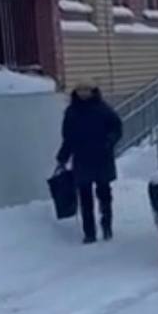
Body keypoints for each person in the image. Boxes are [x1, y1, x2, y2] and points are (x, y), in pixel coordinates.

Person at [56, 82, 122, 244]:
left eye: (86, 89)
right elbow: (68, 138)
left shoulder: (103, 109)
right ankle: (89, 233)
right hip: (82, 159)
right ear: (75, 92)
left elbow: (117, 128)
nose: (83, 93)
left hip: (102, 157)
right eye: (80, 90)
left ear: (93, 91)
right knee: (85, 198)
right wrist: (62, 157)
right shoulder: (71, 113)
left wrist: (108, 142)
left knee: (104, 195)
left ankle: (106, 225)